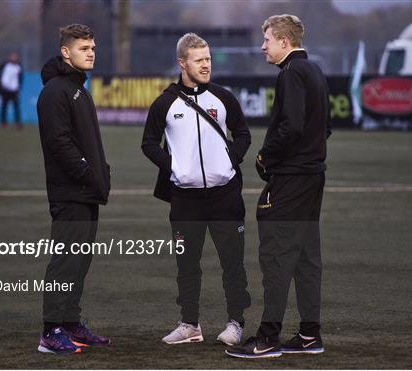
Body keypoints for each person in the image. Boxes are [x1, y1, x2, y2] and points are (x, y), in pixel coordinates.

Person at [226, 14, 331, 359]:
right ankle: (309, 335)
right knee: (306, 258)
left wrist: (265, 156)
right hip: (313, 177)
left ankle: (268, 338)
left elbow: (292, 127)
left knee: (276, 257)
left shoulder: (291, 73)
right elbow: (324, 127)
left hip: (291, 179)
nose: (262, 46)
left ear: (284, 42)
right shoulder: (314, 70)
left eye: (267, 40)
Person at [142, 33, 252, 346]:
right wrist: (173, 167)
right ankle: (190, 324)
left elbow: (242, 133)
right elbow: (148, 143)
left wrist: (231, 158)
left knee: (233, 263)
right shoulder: (164, 102)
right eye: (199, 60)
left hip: (225, 197)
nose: (206, 65)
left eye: (208, 59)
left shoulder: (223, 97)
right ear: (182, 63)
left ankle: (235, 322)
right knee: (187, 265)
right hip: (185, 199)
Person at [36, 23, 112, 354]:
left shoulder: (78, 88)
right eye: (84, 48)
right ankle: (50, 331)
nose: (91, 52)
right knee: (65, 260)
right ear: (66, 52)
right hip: (70, 192)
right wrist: (86, 172)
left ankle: (70, 323)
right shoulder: (55, 91)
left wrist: (100, 173)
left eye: (93, 47)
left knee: (79, 260)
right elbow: (59, 142)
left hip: (86, 191)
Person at [0, 51, 23, 128]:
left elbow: (20, 78)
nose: (14, 58)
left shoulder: (18, 66)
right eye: (12, 56)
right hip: (5, 90)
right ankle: (3, 123)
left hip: (14, 90)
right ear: (9, 57)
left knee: (16, 107)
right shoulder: (5, 65)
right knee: (4, 107)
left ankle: (18, 123)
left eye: (15, 56)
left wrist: (19, 87)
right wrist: (0, 81)